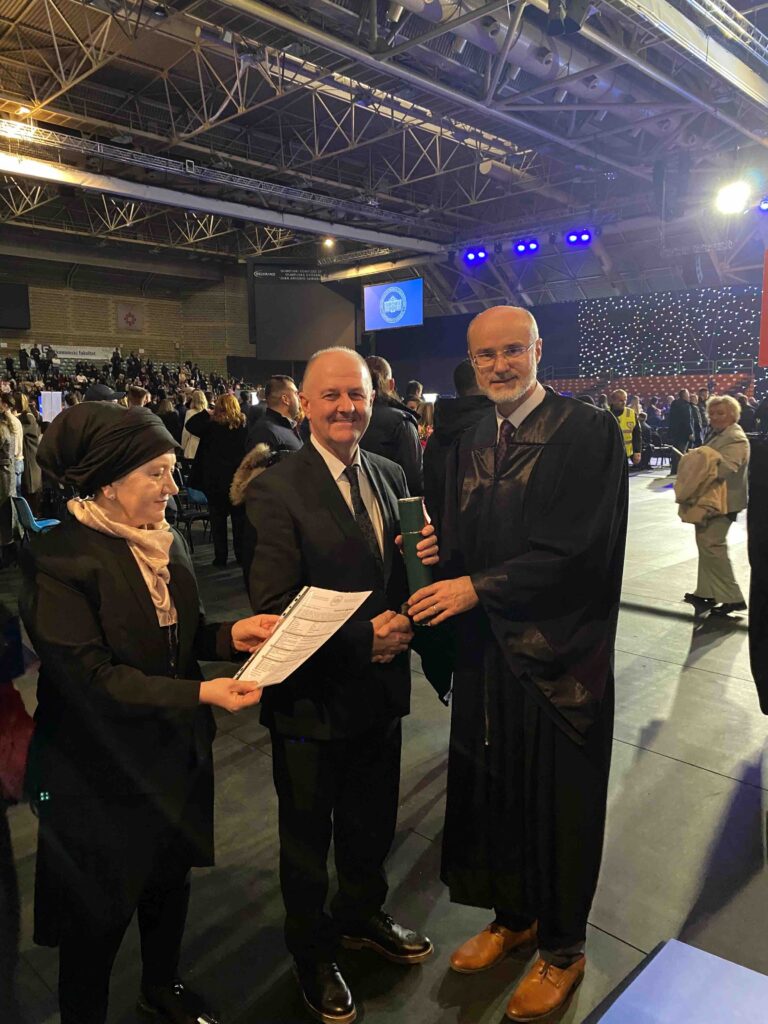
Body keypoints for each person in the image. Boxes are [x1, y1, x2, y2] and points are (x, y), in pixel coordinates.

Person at [20, 401, 279, 1024]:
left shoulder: (164, 540)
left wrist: (230, 636)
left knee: (169, 876)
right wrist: (202, 694)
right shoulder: (58, 557)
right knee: (97, 911)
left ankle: (161, 986)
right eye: (156, 473)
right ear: (108, 482)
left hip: (172, 751)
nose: (173, 487)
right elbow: (90, 678)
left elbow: (179, 637)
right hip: (97, 769)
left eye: (171, 470)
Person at [409, 306, 627, 1022]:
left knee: (560, 803)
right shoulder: (471, 436)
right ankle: (514, 918)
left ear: (537, 349)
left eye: (511, 351)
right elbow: (471, 534)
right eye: (485, 356)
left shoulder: (586, 431)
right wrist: (446, 549)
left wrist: (476, 586)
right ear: (471, 363)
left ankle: (562, 947)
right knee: (496, 789)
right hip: (486, 650)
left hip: (558, 655)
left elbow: (581, 551)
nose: (499, 365)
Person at [246, 347, 438, 1024]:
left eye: (355, 395)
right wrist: (363, 640)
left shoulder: (389, 473)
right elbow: (273, 606)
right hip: (311, 699)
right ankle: (312, 953)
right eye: (329, 395)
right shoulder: (276, 488)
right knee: (306, 843)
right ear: (304, 404)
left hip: (380, 693)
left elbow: (396, 573)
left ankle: (361, 915)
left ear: (372, 399)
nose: (345, 407)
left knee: (370, 822)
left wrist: (424, 564)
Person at [683, 395, 749, 616]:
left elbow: (727, 468)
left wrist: (695, 466)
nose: (715, 417)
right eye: (711, 413)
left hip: (724, 502)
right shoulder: (718, 434)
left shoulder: (735, 438)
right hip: (711, 499)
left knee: (713, 546)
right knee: (705, 544)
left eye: (720, 413)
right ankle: (706, 592)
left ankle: (732, 598)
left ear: (733, 414)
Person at [423, 359, 493, 522]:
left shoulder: (438, 434)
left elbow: (431, 493)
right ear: (482, 380)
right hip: (490, 529)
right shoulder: (497, 426)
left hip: (445, 528)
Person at [186, 393, 247, 567]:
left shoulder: (210, 426)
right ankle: (240, 555)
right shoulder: (243, 426)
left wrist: (206, 412)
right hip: (236, 480)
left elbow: (190, 426)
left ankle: (220, 558)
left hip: (214, 481)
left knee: (218, 521)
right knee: (239, 521)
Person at [361, 356, 423, 495]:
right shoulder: (402, 422)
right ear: (391, 384)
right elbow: (414, 480)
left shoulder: (352, 419)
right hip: (393, 503)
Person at [246, 375, 302, 452]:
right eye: (296, 393)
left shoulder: (284, 426)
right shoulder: (264, 433)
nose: (299, 398)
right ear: (285, 399)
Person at [14, 392, 42, 513]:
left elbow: (17, 432)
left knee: (30, 496)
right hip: (28, 461)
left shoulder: (27, 418)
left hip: (30, 462)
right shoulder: (25, 417)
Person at [609, 389, 641, 467]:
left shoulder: (631, 413)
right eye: (620, 400)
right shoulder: (605, 413)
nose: (624, 402)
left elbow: (637, 433)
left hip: (626, 454)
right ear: (613, 401)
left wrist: (637, 451)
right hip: (609, 453)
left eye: (625, 400)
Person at [667, 389, 694, 475]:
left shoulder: (674, 404)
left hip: (675, 432)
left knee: (675, 451)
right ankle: (681, 470)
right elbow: (687, 420)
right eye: (688, 394)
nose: (689, 396)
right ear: (684, 396)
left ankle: (674, 470)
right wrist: (690, 432)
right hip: (683, 432)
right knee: (681, 452)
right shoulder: (686, 405)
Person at [180, 389, 208, 463]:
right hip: (203, 448)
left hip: (192, 445)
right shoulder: (207, 413)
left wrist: (183, 446)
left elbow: (186, 431)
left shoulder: (190, 413)